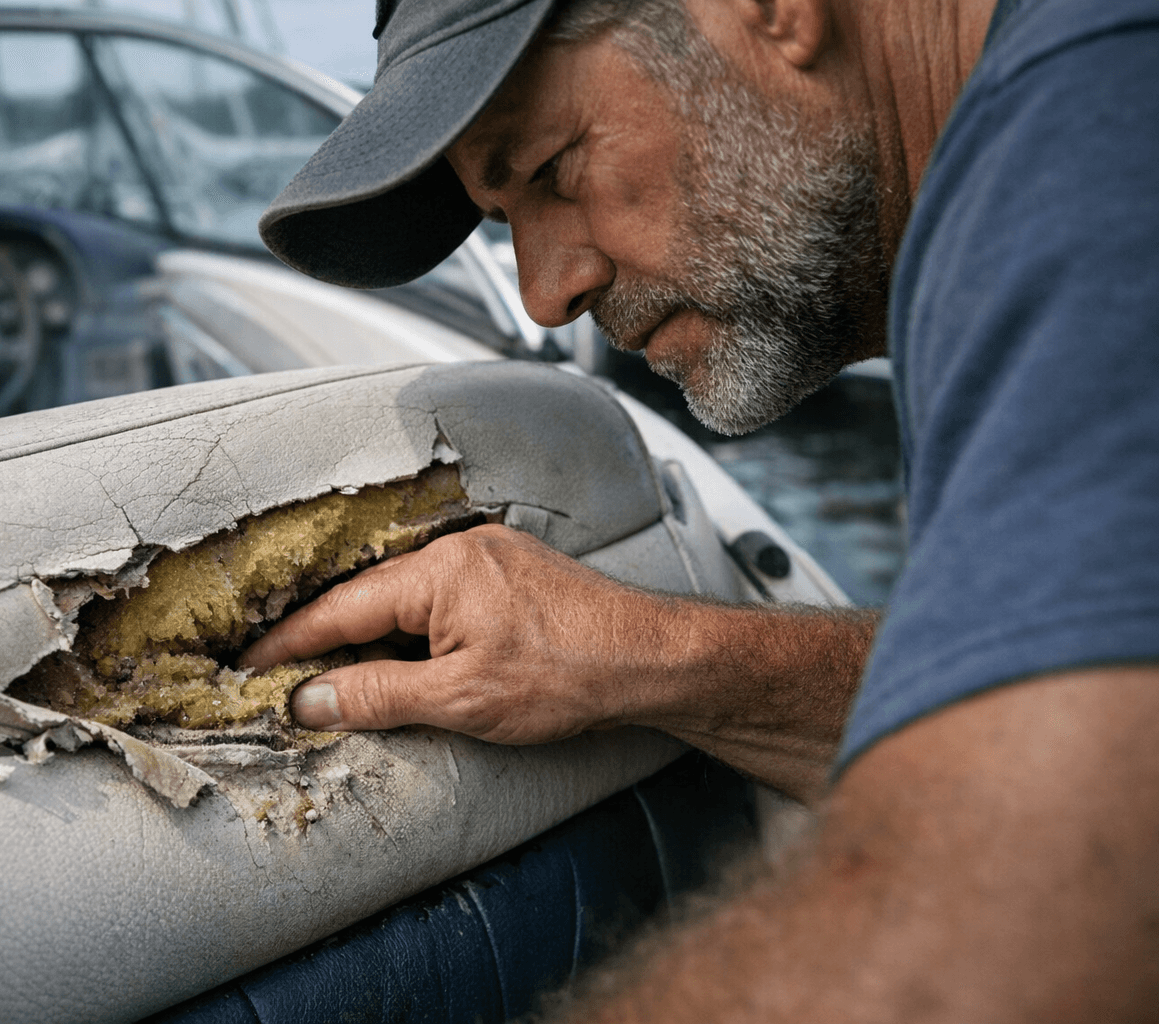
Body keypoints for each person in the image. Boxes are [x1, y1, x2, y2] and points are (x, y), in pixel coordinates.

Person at [244, 0, 1159, 1018]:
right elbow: (1053, 733)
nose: (547, 294)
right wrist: (653, 659)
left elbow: (1029, 913)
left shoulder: (1100, 122)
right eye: (508, 225)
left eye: (552, 168)